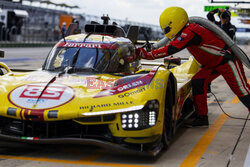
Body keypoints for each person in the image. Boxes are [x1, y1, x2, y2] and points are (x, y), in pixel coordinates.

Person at [137, 7, 250, 127]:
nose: (166, 31)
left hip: (227, 61)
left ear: (175, 22)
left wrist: (147, 55)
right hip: (212, 64)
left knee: (242, 90)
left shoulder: (189, 31)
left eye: (167, 28)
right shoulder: (187, 30)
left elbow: (171, 48)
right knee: (198, 81)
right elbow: (172, 44)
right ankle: (202, 118)